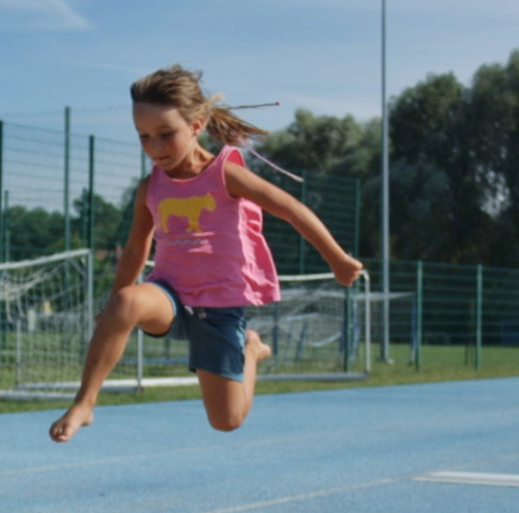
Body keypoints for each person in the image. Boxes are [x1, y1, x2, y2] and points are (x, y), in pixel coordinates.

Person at [49, 65, 363, 443]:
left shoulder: (224, 174)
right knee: (128, 302)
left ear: (196, 125)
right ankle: (85, 403)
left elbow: (290, 208)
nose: (155, 147)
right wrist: (115, 300)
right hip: (170, 296)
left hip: (218, 306)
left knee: (227, 420)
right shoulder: (150, 187)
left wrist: (337, 259)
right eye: (144, 137)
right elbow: (136, 247)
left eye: (166, 135)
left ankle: (251, 350)